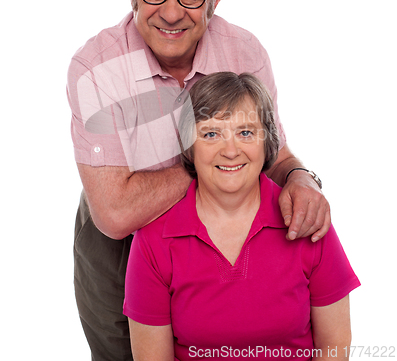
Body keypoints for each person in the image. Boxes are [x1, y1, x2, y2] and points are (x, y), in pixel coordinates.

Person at [67, 0, 331, 361]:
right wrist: (212, 163)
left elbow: (271, 154)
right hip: (121, 241)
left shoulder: (244, 52)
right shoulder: (97, 68)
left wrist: (302, 178)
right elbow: (114, 213)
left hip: (225, 231)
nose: (171, 13)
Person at [124, 72, 360, 361]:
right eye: (211, 134)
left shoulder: (307, 219)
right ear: (189, 146)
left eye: (246, 133)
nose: (231, 151)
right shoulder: (153, 241)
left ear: (267, 142)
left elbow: (334, 350)